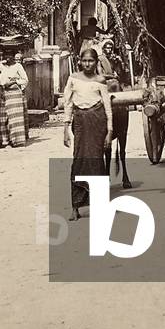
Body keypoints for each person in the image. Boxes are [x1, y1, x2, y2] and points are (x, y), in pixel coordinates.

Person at [62, 47, 113, 222]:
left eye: (91, 61)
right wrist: (66, 128)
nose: (88, 64)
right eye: (85, 61)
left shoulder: (100, 80)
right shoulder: (73, 79)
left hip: (98, 122)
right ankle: (75, 207)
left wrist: (109, 131)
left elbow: (107, 108)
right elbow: (68, 104)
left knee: (97, 162)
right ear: (80, 61)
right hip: (80, 123)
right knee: (79, 161)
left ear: (96, 62)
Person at [0, 50, 30, 148]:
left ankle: (15, 141)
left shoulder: (18, 66)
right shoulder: (1, 66)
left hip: (15, 93)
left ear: (13, 56)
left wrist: (14, 82)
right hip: (4, 93)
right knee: (2, 117)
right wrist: (1, 82)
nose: (7, 57)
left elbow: (25, 80)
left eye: (10, 55)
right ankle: (3, 141)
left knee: (14, 118)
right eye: (5, 55)